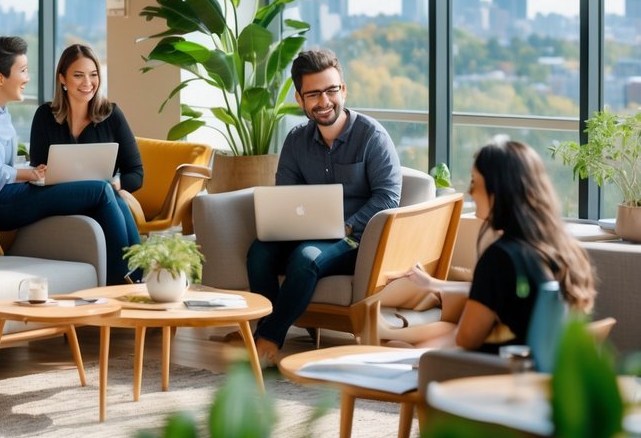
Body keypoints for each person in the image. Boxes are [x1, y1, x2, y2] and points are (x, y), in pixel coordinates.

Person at [243, 49, 402, 364]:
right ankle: (264, 332)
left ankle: (268, 341)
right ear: (300, 99)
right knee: (259, 252)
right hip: (308, 233)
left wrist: (347, 225)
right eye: (313, 94)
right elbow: (287, 195)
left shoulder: (372, 136)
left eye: (331, 90)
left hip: (356, 238)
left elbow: (388, 197)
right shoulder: (296, 140)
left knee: (306, 258)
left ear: (343, 90)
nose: (324, 101)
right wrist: (291, 224)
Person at [0, 36, 139, 284]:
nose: (28, 78)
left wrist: (33, 173)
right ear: (0, 78)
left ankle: (136, 278)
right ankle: (121, 281)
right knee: (101, 190)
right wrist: (32, 173)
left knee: (113, 195)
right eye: (23, 71)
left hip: (5, 194)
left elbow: (1, 166)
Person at [381, 138, 595, 351]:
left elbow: (466, 338)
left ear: (499, 189)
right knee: (409, 342)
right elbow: (496, 289)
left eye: (474, 182)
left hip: (494, 366)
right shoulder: (555, 246)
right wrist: (433, 284)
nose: (470, 191)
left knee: (396, 346)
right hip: (535, 361)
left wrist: (417, 354)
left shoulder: (500, 256)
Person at [29, 43, 144, 205]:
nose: (88, 82)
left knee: (115, 199)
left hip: (101, 200)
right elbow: (36, 170)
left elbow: (136, 173)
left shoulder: (112, 115)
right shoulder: (44, 116)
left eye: (93, 74)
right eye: (78, 75)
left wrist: (117, 183)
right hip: (59, 201)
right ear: (62, 78)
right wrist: (41, 172)